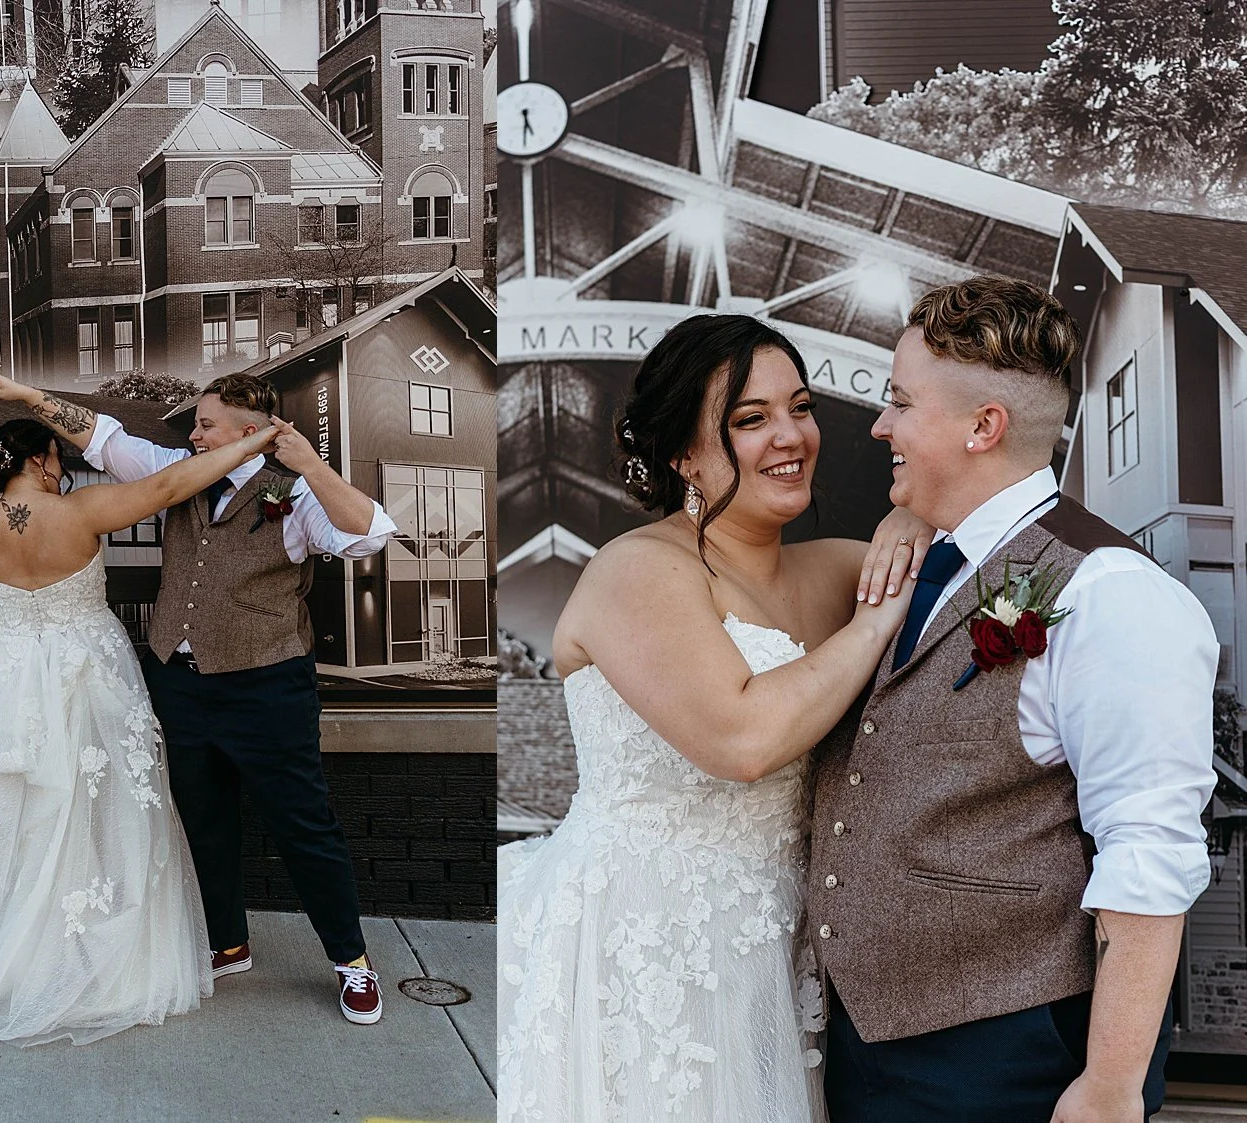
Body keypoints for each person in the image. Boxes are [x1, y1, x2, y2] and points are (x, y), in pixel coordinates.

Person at [497, 314, 930, 1121]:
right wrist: (872, 626)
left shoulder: (843, 567)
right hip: (649, 937)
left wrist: (918, 514)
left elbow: (964, 555)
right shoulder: (639, 568)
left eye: (798, 407)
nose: (791, 435)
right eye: (750, 419)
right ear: (682, 455)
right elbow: (743, 739)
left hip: (780, 944)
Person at [808, 274, 1219, 1122]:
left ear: (982, 426)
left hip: (1011, 1056)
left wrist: (1107, 1088)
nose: (880, 424)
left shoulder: (1111, 593)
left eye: (901, 403)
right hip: (867, 1045)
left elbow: (1149, 852)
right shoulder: (920, 561)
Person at [0, 371, 399, 1025]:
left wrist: (309, 462)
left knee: (304, 828)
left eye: (206, 423)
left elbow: (370, 533)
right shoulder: (178, 467)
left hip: (267, 686)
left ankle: (353, 962)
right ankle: (227, 941)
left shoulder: (295, 491)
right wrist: (30, 398)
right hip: (180, 682)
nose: (193, 433)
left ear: (248, 430)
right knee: (201, 817)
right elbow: (103, 435)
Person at [0, 383, 285, 1045]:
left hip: (11, 680)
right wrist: (253, 440)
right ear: (44, 460)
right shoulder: (81, 512)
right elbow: (171, 485)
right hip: (88, 675)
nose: (65, 470)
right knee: (99, 806)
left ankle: (15, 915)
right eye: (60, 462)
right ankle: (80, 931)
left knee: (21, 803)